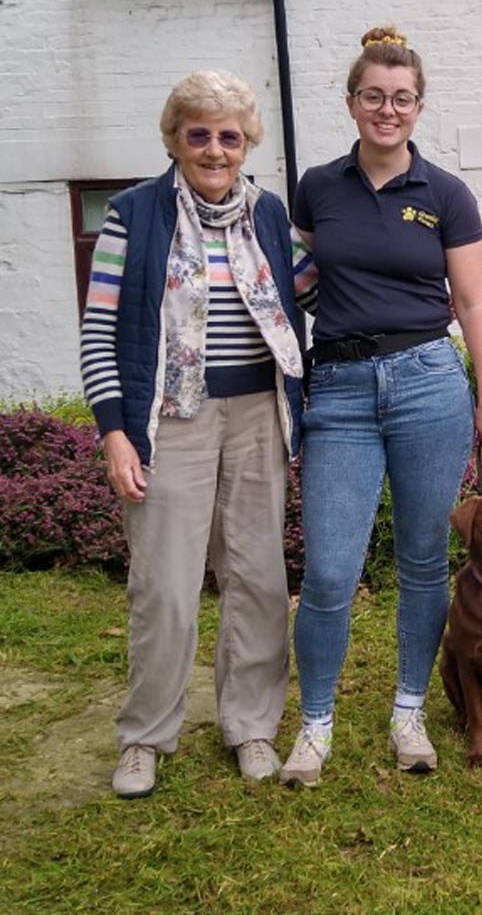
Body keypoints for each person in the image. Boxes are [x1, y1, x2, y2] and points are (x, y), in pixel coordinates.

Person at [280, 25, 482, 786]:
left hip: (427, 384)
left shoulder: (446, 194)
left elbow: (473, 305)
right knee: (330, 572)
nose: (388, 109)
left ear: (418, 107)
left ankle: (408, 712)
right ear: (351, 103)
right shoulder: (316, 186)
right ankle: (315, 726)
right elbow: (295, 284)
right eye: (374, 96)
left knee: (420, 564)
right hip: (340, 390)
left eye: (402, 98)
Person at [80, 70, 309, 798]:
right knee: (166, 587)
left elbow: (318, 288)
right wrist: (115, 432)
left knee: (260, 582)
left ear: (247, 145)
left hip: (257, 420)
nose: (214, 149)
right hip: (168, 420)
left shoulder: (269, 216)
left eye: (229, 136)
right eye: (199, 133)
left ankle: (250, 726)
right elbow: (99, 332)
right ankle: (145, 736)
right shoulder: (133, 214)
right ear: (175, 138)